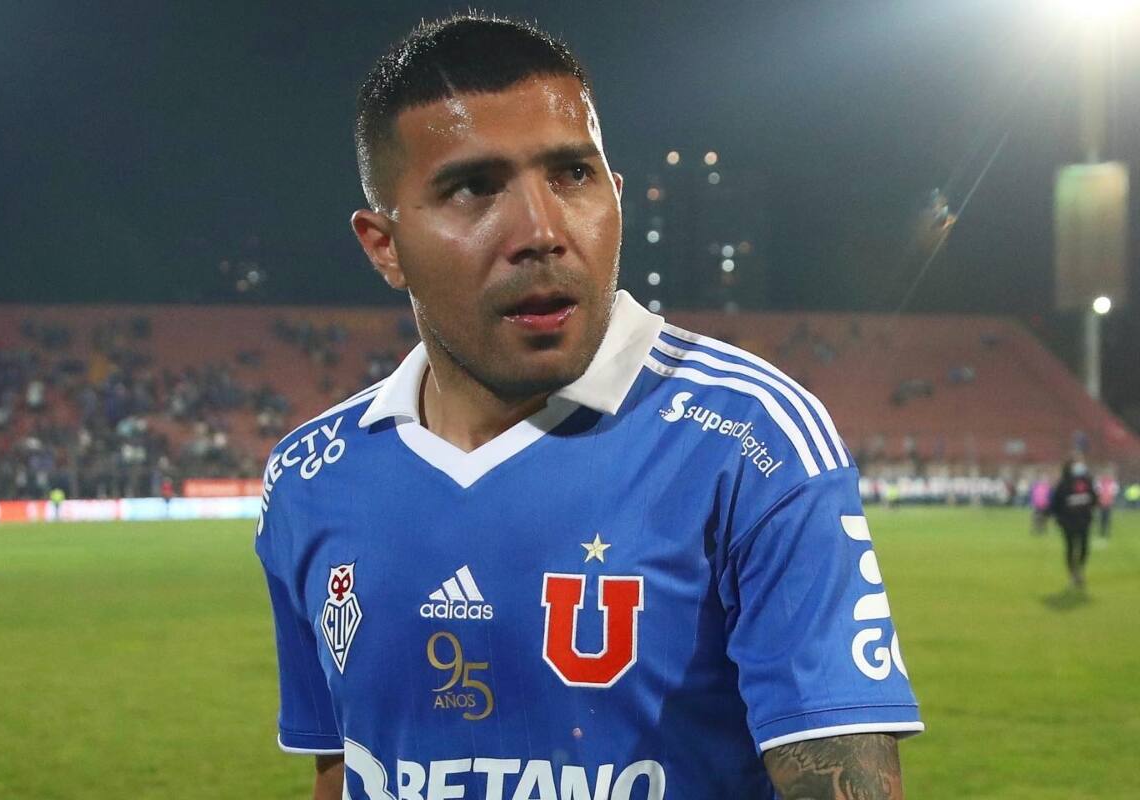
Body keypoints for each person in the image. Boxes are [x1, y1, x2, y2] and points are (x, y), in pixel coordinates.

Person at [255, 15, 922, 800]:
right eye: (473, 188)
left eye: (573, 175)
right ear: (384, 245)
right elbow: (343, 763)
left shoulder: (750, 440)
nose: (542, 231)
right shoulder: (310, 476)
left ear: (615, 196)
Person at [1048, 459, 1098, 590]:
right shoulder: (1063, 484)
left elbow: (1094, 499)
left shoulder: (1087, 482)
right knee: (1071, 547)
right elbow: (1055, 503)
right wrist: (1057, 518)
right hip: (1068, 522)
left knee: (1084, 547)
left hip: (1083, 521)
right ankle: (1072, 574)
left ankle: (1079, 570)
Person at [1095, 470, 1117, 538]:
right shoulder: (1100, 483)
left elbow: (1113, 493)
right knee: (1102, 517)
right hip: (1101, 503)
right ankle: (1102, 531)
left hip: (1108, 503)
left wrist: (1110, 499)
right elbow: (1097, 492)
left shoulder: (1112, 483)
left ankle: (1107, 531)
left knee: (1107, 518)